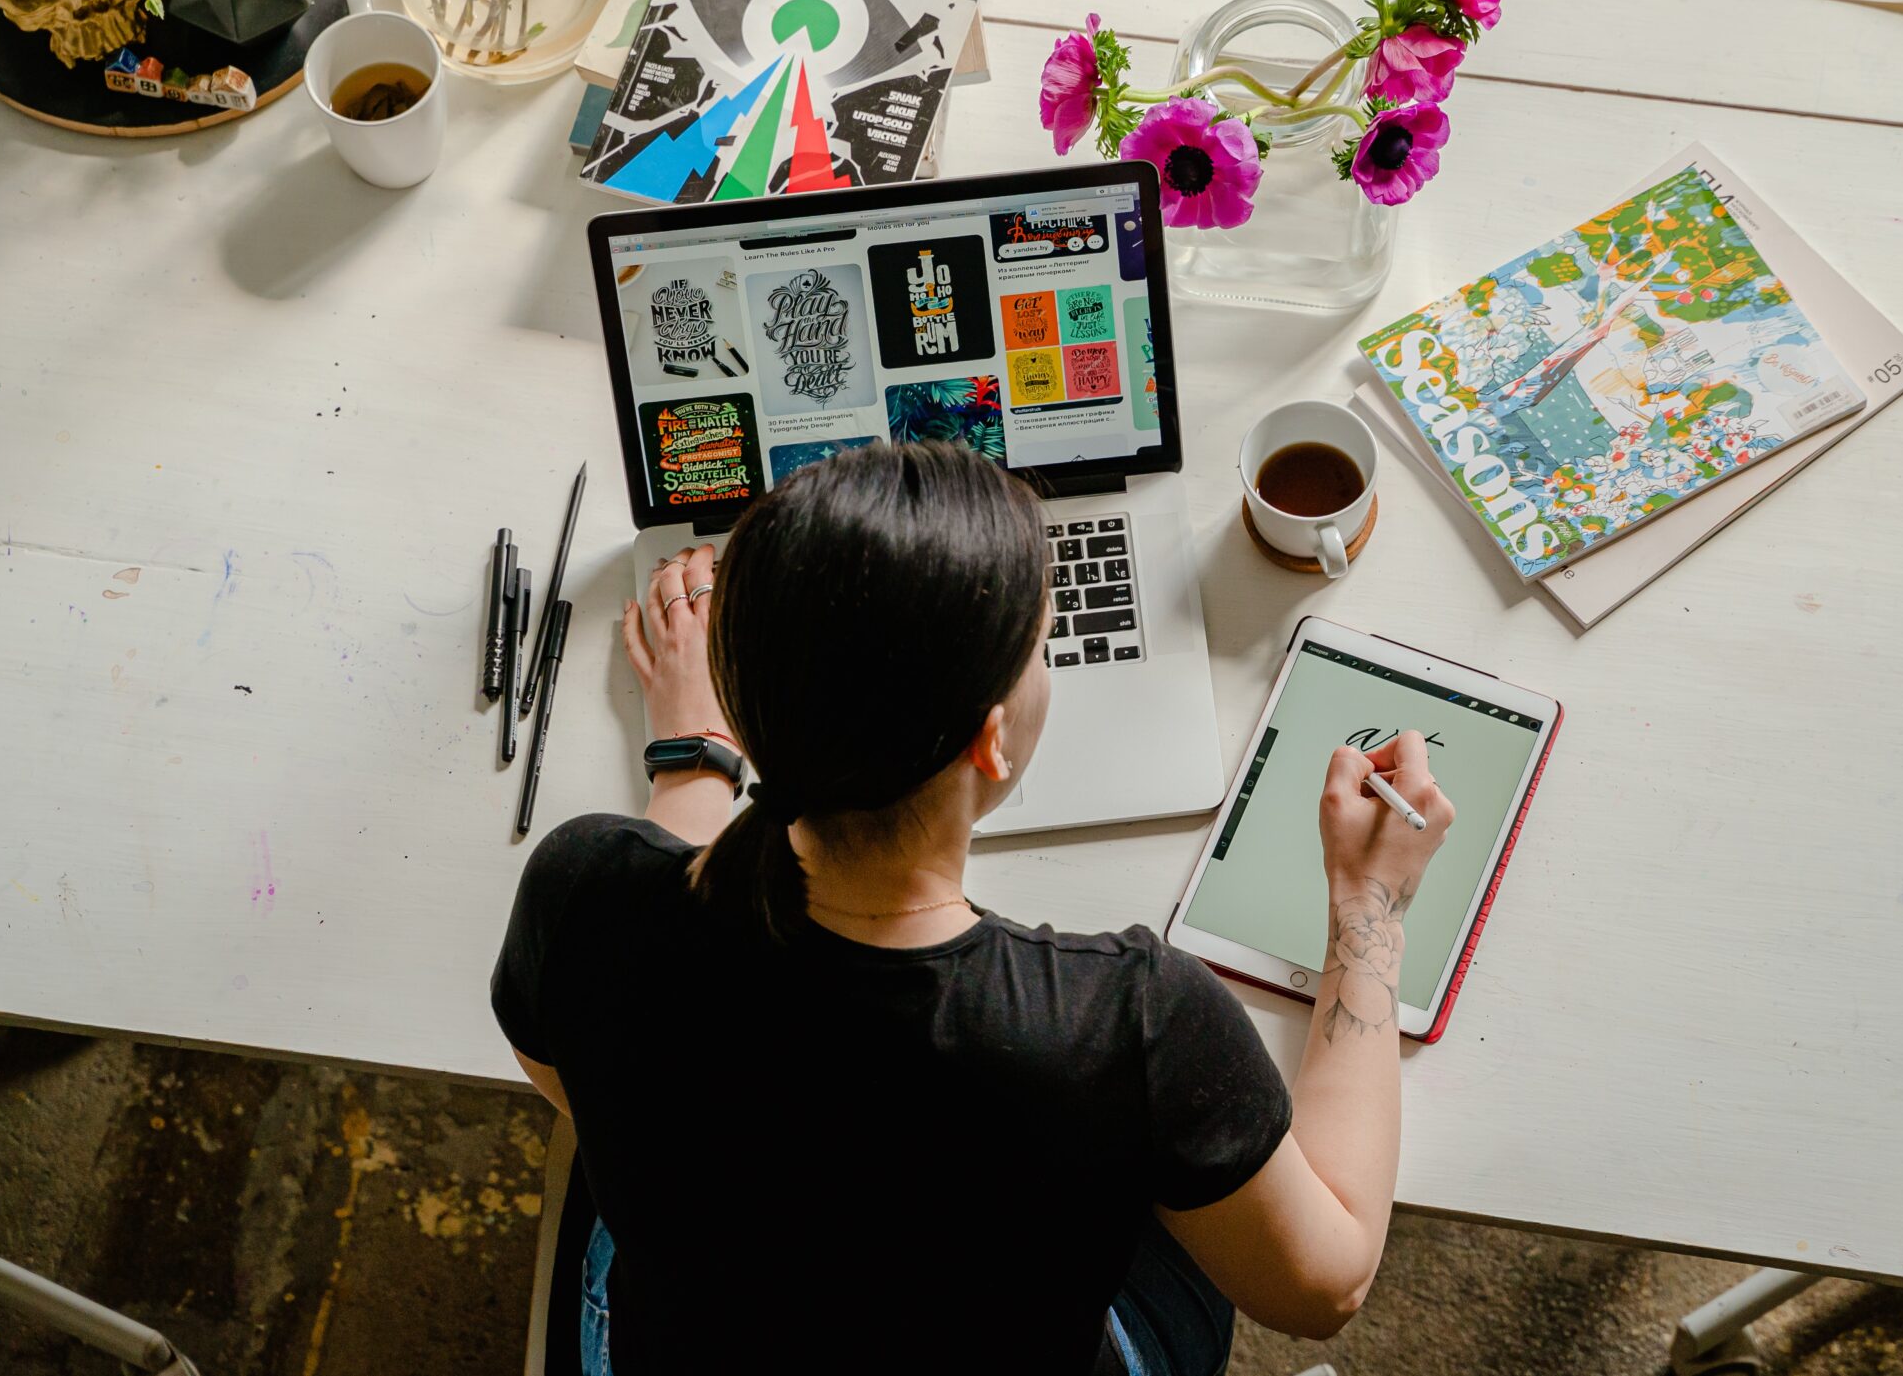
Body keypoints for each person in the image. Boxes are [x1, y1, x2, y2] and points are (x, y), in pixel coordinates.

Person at [492, 442, 1456, 1374]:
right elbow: (1324, 1287)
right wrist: (1368, 902)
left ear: (749, 701)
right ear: (991, 742)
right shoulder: (1125, 1023)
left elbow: (570, 1074)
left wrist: (693, 750)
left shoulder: (583, 887)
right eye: (1043, 646)